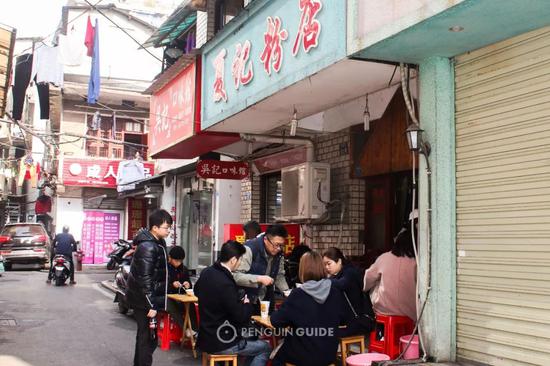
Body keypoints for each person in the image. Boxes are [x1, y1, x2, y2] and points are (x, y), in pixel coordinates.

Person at [195, 241, 271, 365]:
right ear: (233, 260)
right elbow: (240, 316)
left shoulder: (207, 272)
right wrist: (247, 303)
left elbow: (197, 291)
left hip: (205, 337)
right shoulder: (226, 282)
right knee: (265, 348)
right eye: (240, 260)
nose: (240, 263)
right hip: (222, 341)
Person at [270, 251, 346, 366]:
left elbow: (276, 321)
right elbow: (343, 319)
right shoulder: (335, 291)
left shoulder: (298, 294)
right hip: (329, 354)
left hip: (304, 355)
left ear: (302, 270)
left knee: (277, 358)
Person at [125, 209, 173, 366]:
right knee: (148, 338)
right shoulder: (148, 246)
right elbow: (144, 278)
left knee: (147, 336)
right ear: (155, 227)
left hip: (148, 300)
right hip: (145, 301)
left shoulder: (158, 243)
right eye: (166, 227)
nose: (168, 231)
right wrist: (150, 304)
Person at [363, 228, 417, 321]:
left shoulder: (384, 258)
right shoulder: (417, 262)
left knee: (376, 281)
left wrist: (365, 289)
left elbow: (368, 278)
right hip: (412, 312)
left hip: (384, 310)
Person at [233, 224, 290, 309]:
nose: (278, 248)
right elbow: (236, 276)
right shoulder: (249, 249)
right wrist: (259, 279)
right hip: (246, 300)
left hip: (266, 300)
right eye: (276, 245)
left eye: (281, 245)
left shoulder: (279, 254)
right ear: (265, 239)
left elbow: (279, 276)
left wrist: (287, 291)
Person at [323, 247, 374, 337]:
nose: (327, 267)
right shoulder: (336, 276)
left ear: (339, 261)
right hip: (348, 320)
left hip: (359, 322)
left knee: (325, 332)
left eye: (329, 264)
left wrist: (323, 282)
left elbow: (342, 284)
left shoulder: (350, 272)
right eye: (325, 265)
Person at [166, 246, 194, 329]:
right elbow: (159, 286)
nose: (178, 263)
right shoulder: (165, 269)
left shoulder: (183, 269)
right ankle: (185, 330)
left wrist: (188, 284)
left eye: (180, 261)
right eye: (176, 261)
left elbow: (189, 286)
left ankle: (195, 330)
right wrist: (172, 285)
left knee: (190, 304)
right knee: (171, 304)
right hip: (167, 297)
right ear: (170, 258)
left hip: (180, 297)